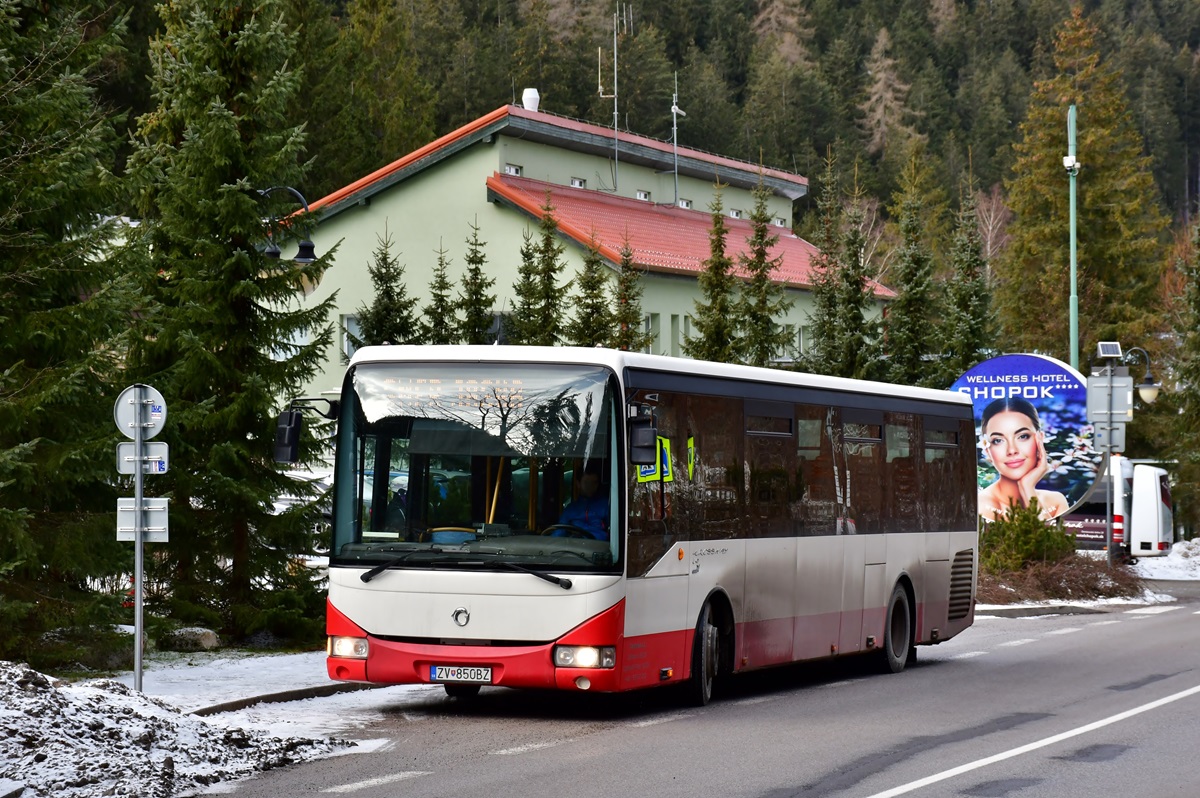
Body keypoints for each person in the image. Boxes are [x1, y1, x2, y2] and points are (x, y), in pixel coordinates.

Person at [977, 396, 1069, 522]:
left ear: (1040, 440)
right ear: (987, 450)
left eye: (1023, 436)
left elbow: (1045, 540)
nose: (1012, 450)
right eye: (998, 440)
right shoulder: (980, 505)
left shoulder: (1055, 501)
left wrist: (1027, 488)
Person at [555, 461, 609, 540]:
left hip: (599, 549)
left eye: (594, 482)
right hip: (575, 548)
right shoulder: (570, 509)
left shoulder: (606, 506)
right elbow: (558, 535)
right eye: (586, 483)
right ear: (578, 484)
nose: (590, 486)